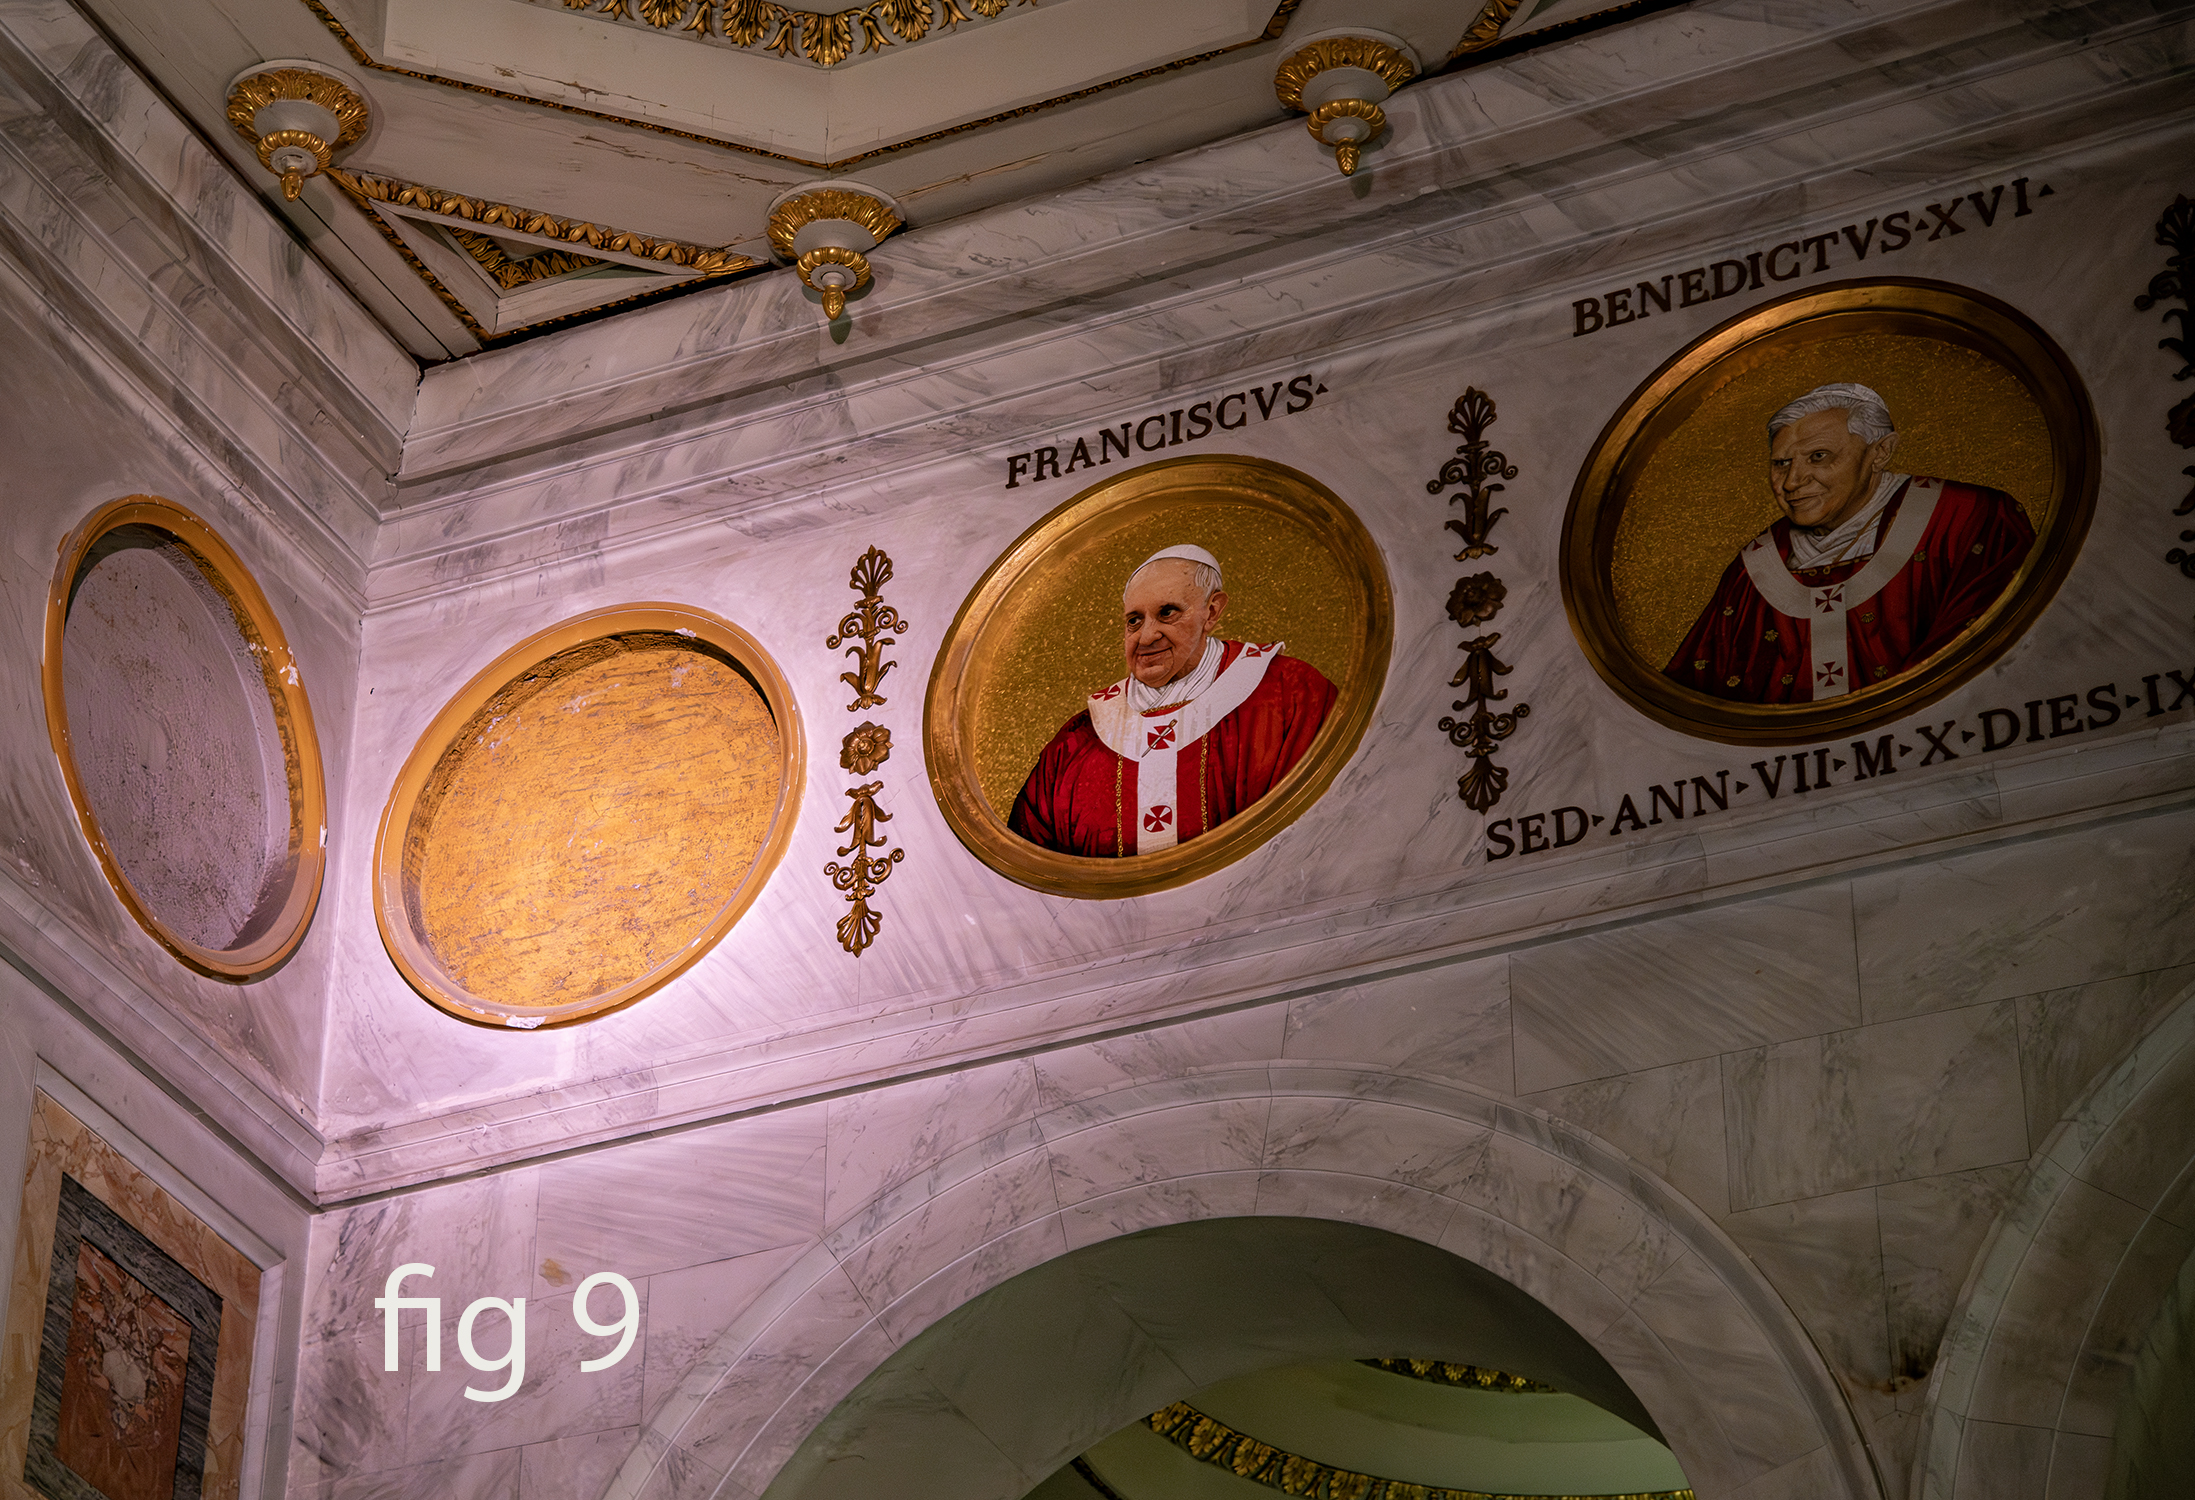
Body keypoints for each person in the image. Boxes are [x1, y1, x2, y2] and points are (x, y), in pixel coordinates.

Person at [1665, 382, 2035, 703]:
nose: (1792, 482)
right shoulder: (1752, 568)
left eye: (1818, 457)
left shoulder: (1968, 519)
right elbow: (1696, 696)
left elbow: (1999, 662)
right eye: (1781, 463)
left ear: (1881, 452)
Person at [1009, 545, 1337, 857]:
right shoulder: (1078, 741)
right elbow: (1029, 865)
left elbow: (1325, 826)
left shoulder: (1290, 693)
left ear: (1212, 612)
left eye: (1167, 613)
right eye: (1134, 620)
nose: (1146, 636)